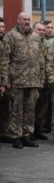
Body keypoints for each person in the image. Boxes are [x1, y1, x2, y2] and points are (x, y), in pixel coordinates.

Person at [4, 12, 45, 149]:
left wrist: (41, 78)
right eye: (24, 20)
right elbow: (6, 59)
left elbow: (40, 60)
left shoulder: (35, 37)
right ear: (18, 20)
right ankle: (16, 136)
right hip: (17, 80)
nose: (27, 22)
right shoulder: (11, 36)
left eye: (28, 20)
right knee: (16, 110)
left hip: (33, 80)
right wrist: (6, 80)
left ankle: (27, 135)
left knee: (30, 110)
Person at [32, 22, 49, 140]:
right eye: (39, 29)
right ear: (34, 30)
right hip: (31, 79)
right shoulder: (31, 42)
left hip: (45, 79)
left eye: (43, 30)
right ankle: (29, 131)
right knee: (31, 107)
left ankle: (38, 129)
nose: (41, 32)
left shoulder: (46, 43)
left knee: (42, 107)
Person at [0, 17, 10, 146]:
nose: (1, 29)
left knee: (4, 110)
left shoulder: (5, 42)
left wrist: (4, 82)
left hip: (4, 81)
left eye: (2, 27)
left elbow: (5, 63)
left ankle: (3, 134)